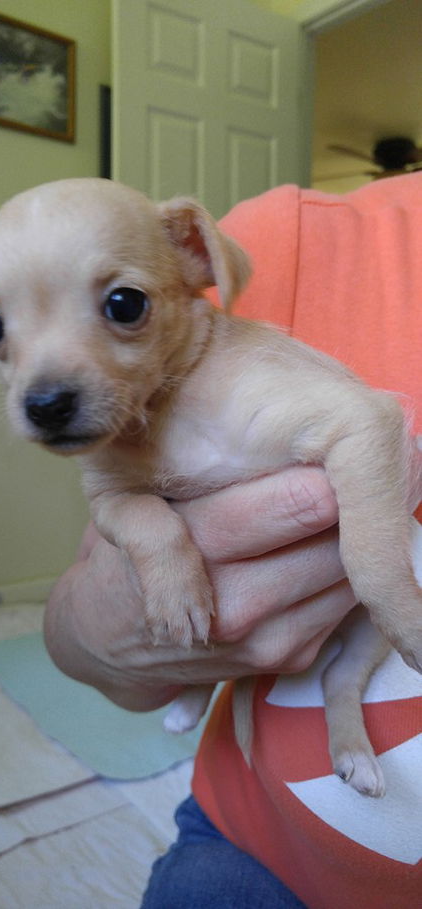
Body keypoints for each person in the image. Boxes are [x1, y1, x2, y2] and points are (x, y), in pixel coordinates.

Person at [44, 173, 422, 908]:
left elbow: (368, 428)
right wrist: (120, 632)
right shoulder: (290, 236)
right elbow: (81, 619)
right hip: (252, 836)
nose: (48, 383)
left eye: (121, 307)